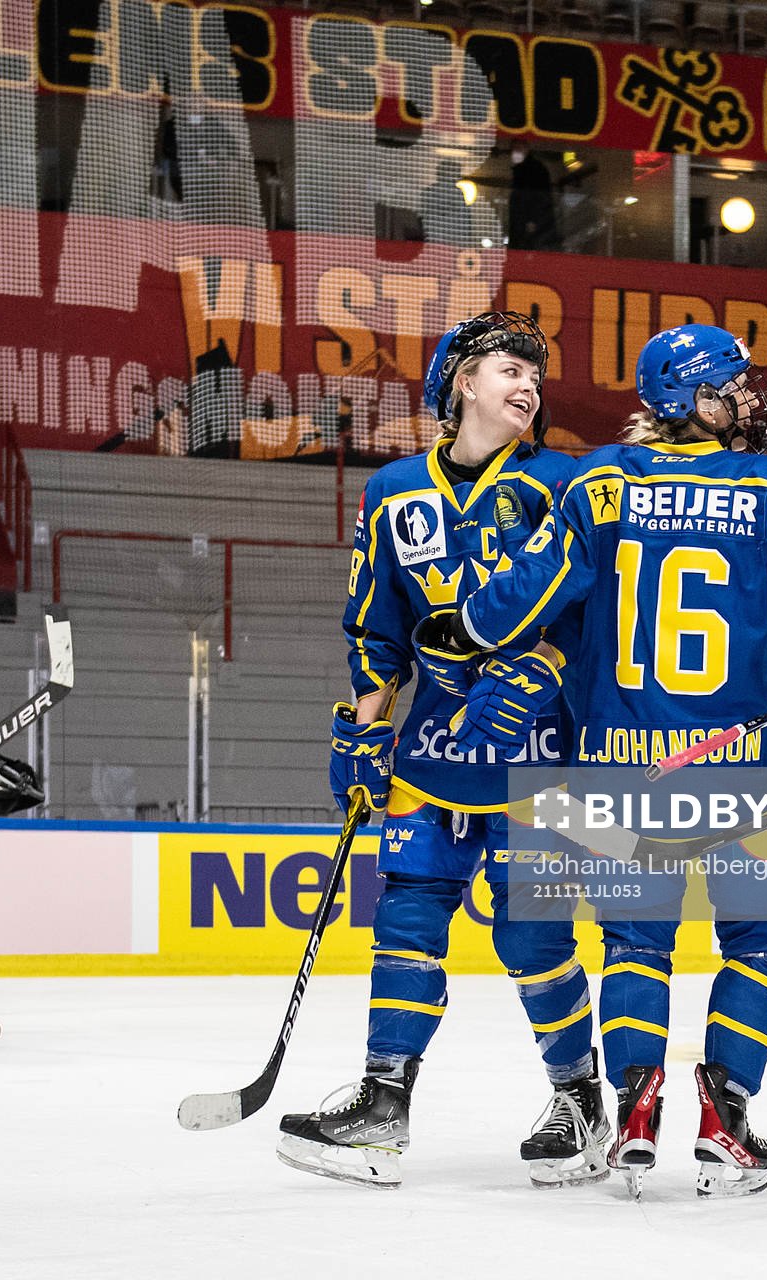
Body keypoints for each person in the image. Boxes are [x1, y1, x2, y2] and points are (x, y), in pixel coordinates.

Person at [427, 323, 767, 1198]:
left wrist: (463, 631)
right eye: (735, 384)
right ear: (695, 398)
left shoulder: (598, 482)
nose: (750, 398)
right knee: (759, 936)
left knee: (636, 943)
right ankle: (728, 1115)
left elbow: (524, 599)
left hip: (619, 764)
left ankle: (635, 1107)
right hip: (742, 769)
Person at [276, 311, 585, 1189]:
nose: (526, 384)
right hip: (431, 751)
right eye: (506, 369)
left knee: (533, 935)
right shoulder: (394, 493)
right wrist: (363, 730)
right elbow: (379, 628)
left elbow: (593, 615)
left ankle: (580, 1101)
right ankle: (382, 1103)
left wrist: (542, 672)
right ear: (459, 382)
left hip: (540, 754)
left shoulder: (569, 483)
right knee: (406, 917)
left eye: (534, 372)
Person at [508, 142, 556, 251]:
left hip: (529, 229)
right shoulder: (523, 169)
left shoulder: (533, 169)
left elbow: (540, 198)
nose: (515, 152)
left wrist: (532, 220)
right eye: (514, 148)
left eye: (519, 148)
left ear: (527, 148)